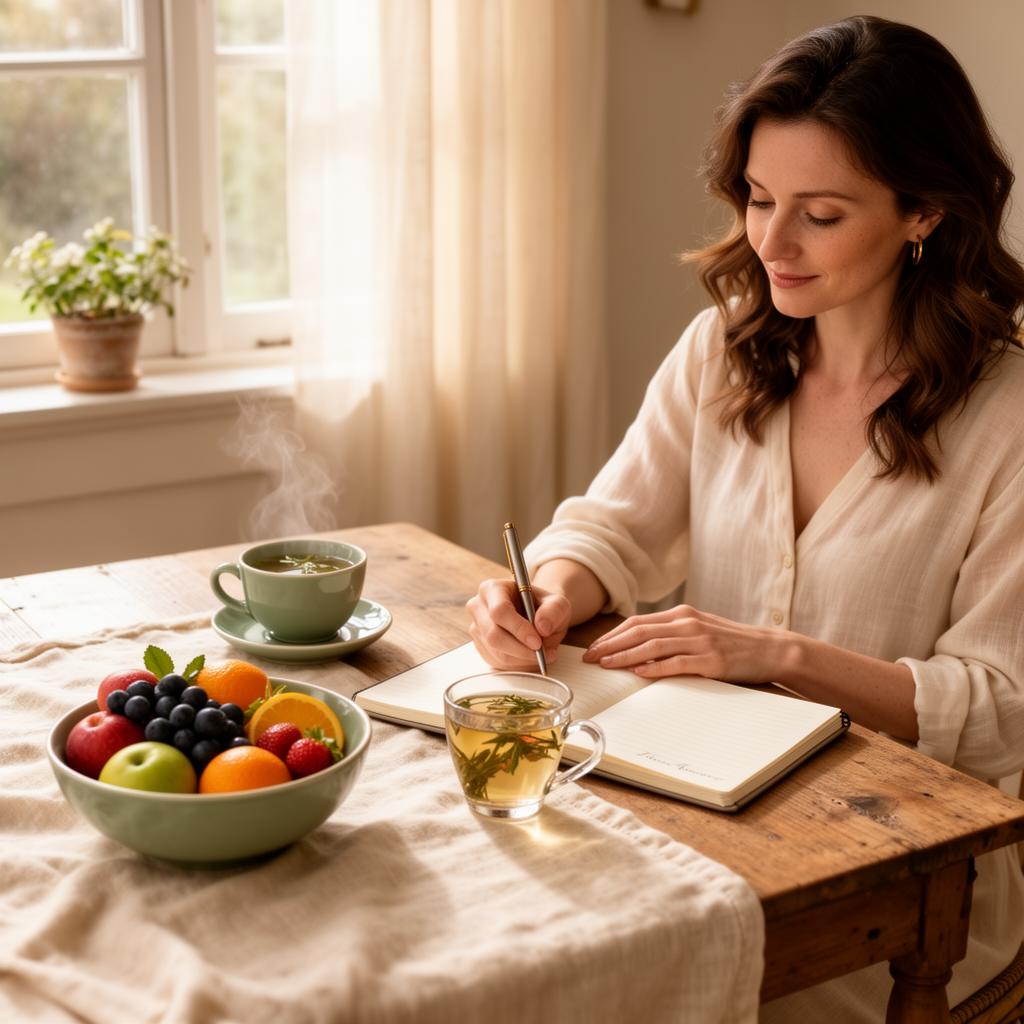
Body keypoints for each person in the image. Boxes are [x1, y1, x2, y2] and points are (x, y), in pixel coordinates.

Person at [466, 15, 1024, 1021]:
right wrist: (546, 592)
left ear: (924, 213)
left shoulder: (1009, 419)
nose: (769, 241)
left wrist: (775, 653)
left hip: (903, 883)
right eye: (761, 199)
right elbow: (613, 524)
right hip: (699, 812)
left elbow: (999, 711)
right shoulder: (722, 350)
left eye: (819, 212)